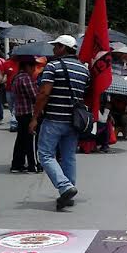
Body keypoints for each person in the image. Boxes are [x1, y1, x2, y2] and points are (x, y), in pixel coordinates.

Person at [30, 35, 90, 210]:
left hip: (54, 119)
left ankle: (65, 187)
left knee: (45, 155)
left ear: (63, 48)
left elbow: (44, 93)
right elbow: (84, 94)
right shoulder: (83, 70)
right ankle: (68, 191)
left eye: (56, 47)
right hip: (73, 120)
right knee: (68, 156)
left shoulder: (53, 66)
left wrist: (34, 118)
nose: (54, 50)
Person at [10, 59, 39, 173]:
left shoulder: (16, 77)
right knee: (30, 140)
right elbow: (34, 96)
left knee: (20, 139)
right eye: (33, 68)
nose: (33, 70)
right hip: (28, 112)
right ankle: (33, 165)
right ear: (27, 66)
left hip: (19, 112)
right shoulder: (26, 78)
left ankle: (17, 164)